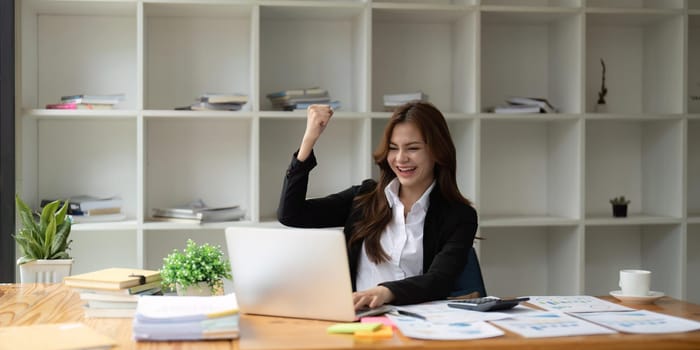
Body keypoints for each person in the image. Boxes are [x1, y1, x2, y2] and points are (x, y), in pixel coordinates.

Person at [277, 101, 477, 309]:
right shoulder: (364, 198)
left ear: (437, 151)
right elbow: (291, 214)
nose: (400, 158)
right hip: (362, 320)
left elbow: (440, 280)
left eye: (413, 148)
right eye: (393, 148)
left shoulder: (459, 216)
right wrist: (309, 140)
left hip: (419, 323)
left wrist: (385, 292)